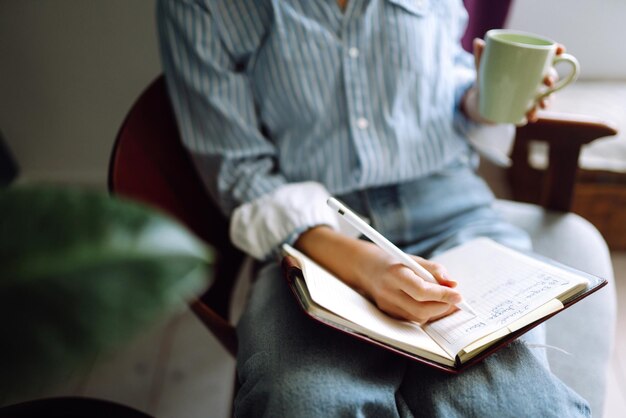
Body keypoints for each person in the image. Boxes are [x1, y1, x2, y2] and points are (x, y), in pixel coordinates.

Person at [156, 1, 590, 416]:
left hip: (454, 216)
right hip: (315, 238)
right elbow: (238, 170)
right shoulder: (201, 5)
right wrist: (364, 266)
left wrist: (487, 97)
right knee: (305, 402)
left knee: (515, 406)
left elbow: (446, 84)